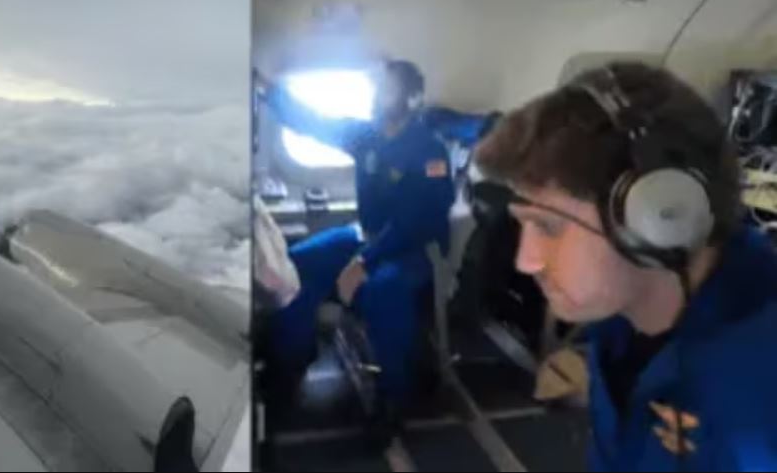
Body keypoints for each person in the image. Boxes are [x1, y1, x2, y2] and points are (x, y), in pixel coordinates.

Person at [473, 62, 777, 471]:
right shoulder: (622, 320)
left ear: (662, 217)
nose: (525, 261)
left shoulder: (759, 389)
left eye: (548, 226)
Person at [261, 59, 456, 441]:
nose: (376, 95)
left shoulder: (429, 150)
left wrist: (363, 262)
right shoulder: (367, 135)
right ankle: (291, 358)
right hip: (366, 236)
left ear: (412, 98)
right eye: (375, 87)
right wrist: (272, 90)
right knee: (295, 263)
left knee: (386, 290)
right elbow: (314, 121)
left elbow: (415, 221)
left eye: (386, 88)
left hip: (413, 248)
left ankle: (392, 401)